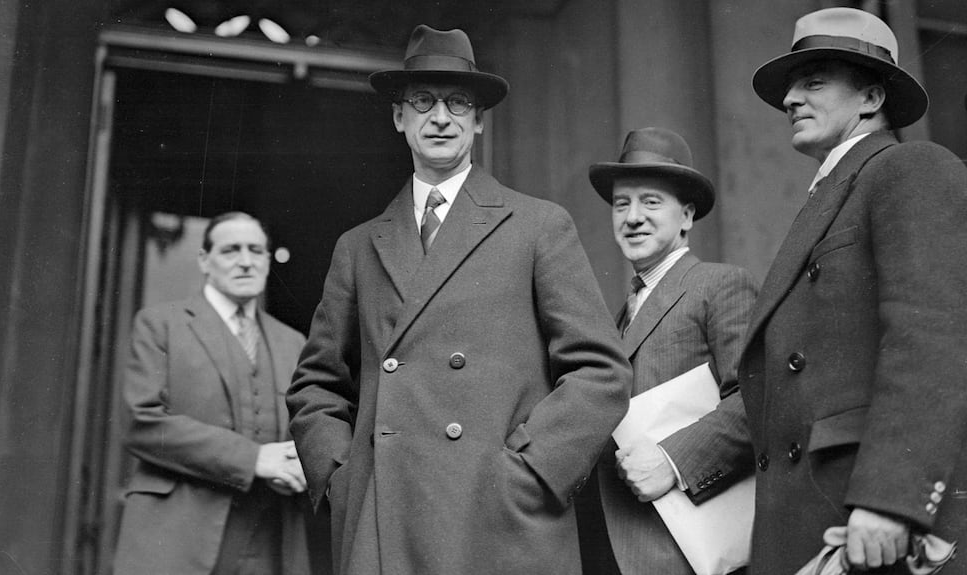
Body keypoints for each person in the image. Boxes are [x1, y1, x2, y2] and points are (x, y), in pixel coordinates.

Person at [286, 25, 631, 575]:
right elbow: (316, 383)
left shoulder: (538, 226)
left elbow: (601, 372)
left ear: (478, 120)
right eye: (423, 101)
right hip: (385, 518)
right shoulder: (358, 246)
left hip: (498, 519)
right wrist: (342, 475)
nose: (440, 117)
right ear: (399, 116)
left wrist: (531, 471)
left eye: (457, 102)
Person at [741, 7, 967, 574]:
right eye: (792, 86)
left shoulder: (909, 167)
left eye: (813, 82)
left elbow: (932, 336)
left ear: (870, 98)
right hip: (814, 515)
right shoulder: (831, 195)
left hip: (867, 522)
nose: (790, 98)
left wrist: (892, 498)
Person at [574, 127, 757, 575]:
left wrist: (673, 460)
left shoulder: (719, 284)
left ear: (687, 216)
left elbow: (759, 400)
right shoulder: (620, 314)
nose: (633, 216)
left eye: (651, 202)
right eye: (622, 204)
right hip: (615, 545)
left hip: (689, 547)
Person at [113, 212, 329, 575]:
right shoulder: (161, 326)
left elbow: (306, 428)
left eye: (256, 251)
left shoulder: (292, 341)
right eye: (231, 250)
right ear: (204, 260)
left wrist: (305, 463)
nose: (246, 261)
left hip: (270, 540)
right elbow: (141, 421)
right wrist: (254, 458)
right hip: (177, 536)